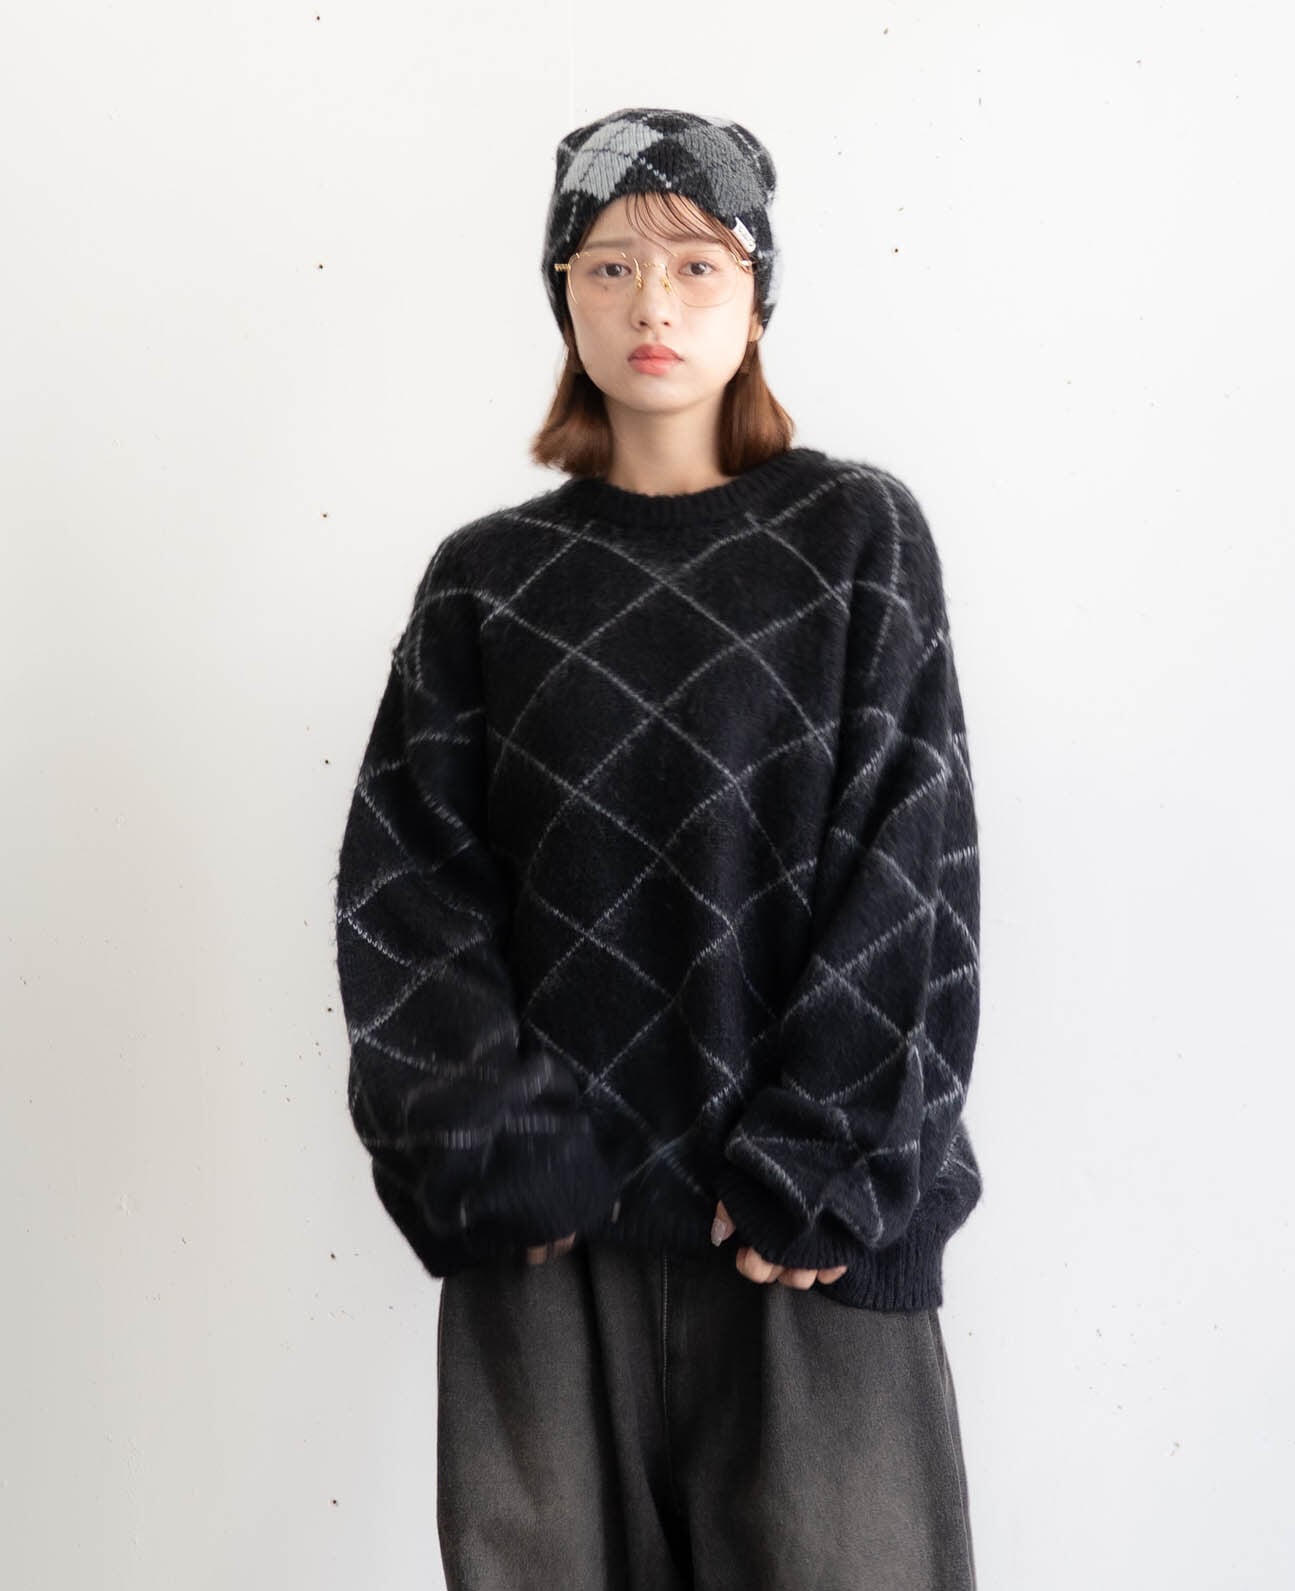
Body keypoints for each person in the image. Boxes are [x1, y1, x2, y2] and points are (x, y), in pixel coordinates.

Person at [334, 106, 982, 1590]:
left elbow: (915, 863)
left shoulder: (857, 538)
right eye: (610, 265)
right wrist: (493, 1155)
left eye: (698, 264)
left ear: (757, 298)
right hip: (553, 1257)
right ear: (562, 295)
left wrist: (825, 1163)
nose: (653, 304)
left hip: (806, 1249)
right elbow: (406, 889)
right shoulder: (487, 583)